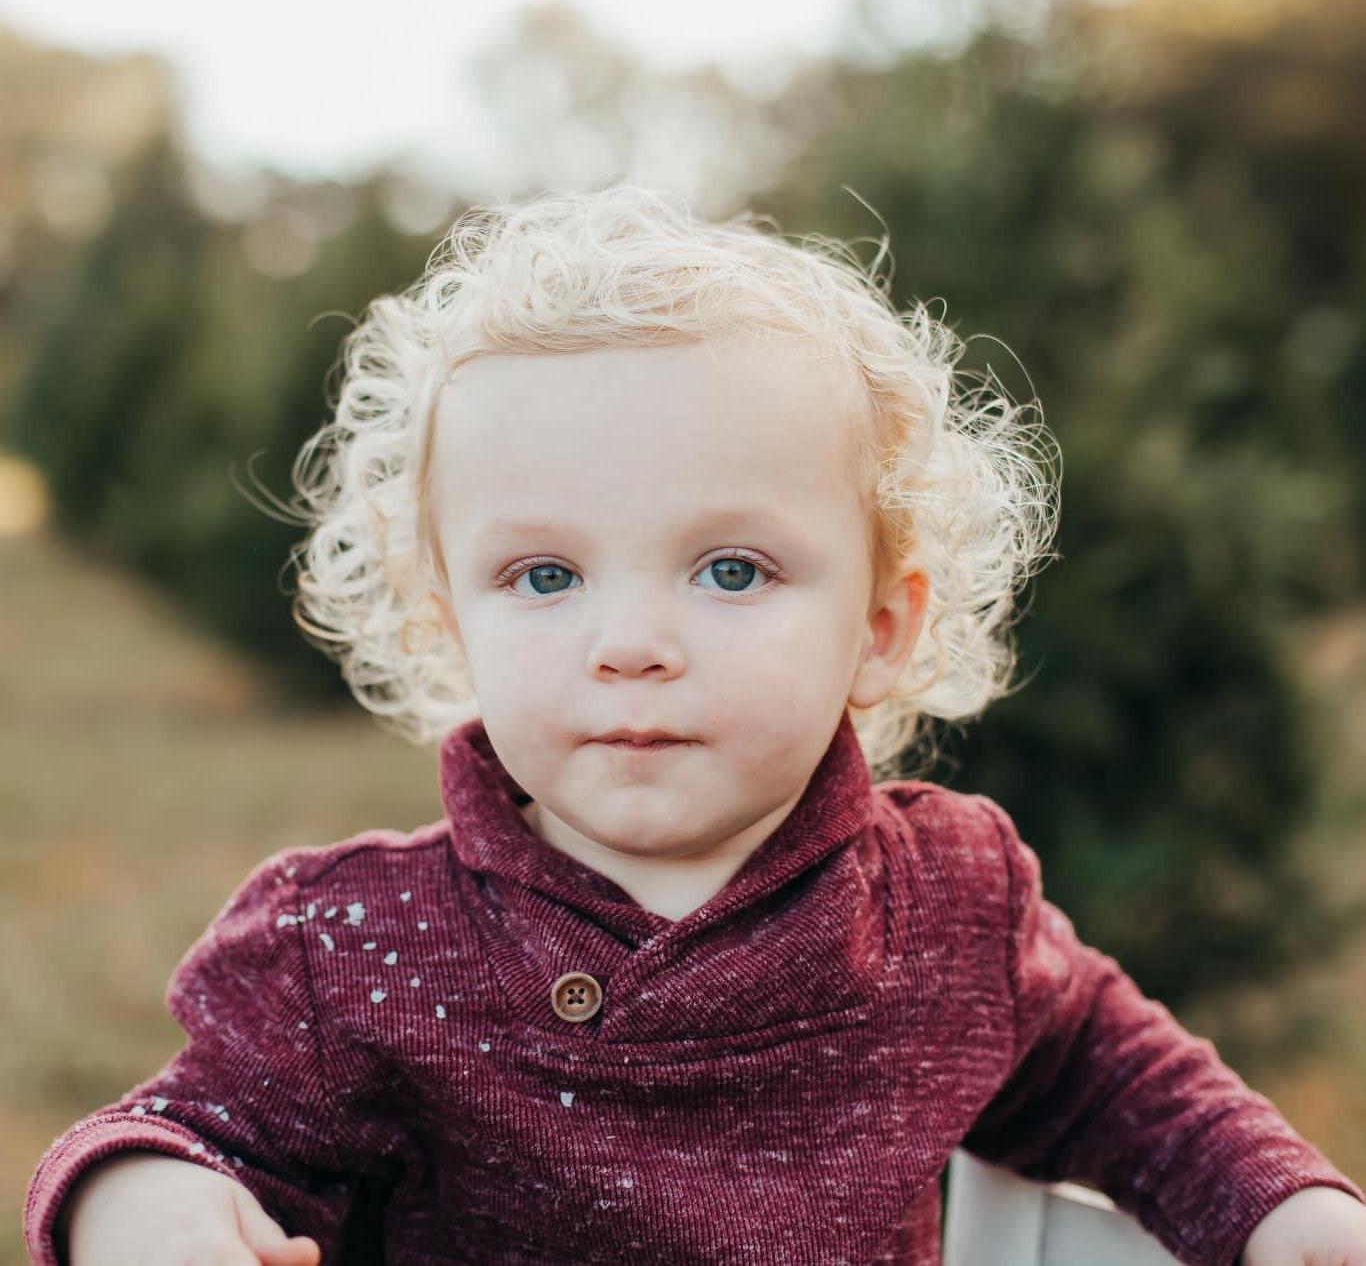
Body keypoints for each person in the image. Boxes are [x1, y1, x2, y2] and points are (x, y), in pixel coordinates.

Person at [24, 183, 1366, 1265]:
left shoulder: (948, 910)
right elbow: (187, 1123)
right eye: (542, 576)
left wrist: (1278, 1202)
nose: (630, 643)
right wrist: (144, 1198)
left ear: (880, 626)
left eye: (730, 569)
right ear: (451, 624)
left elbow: (1112, 1078)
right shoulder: (357, 950)